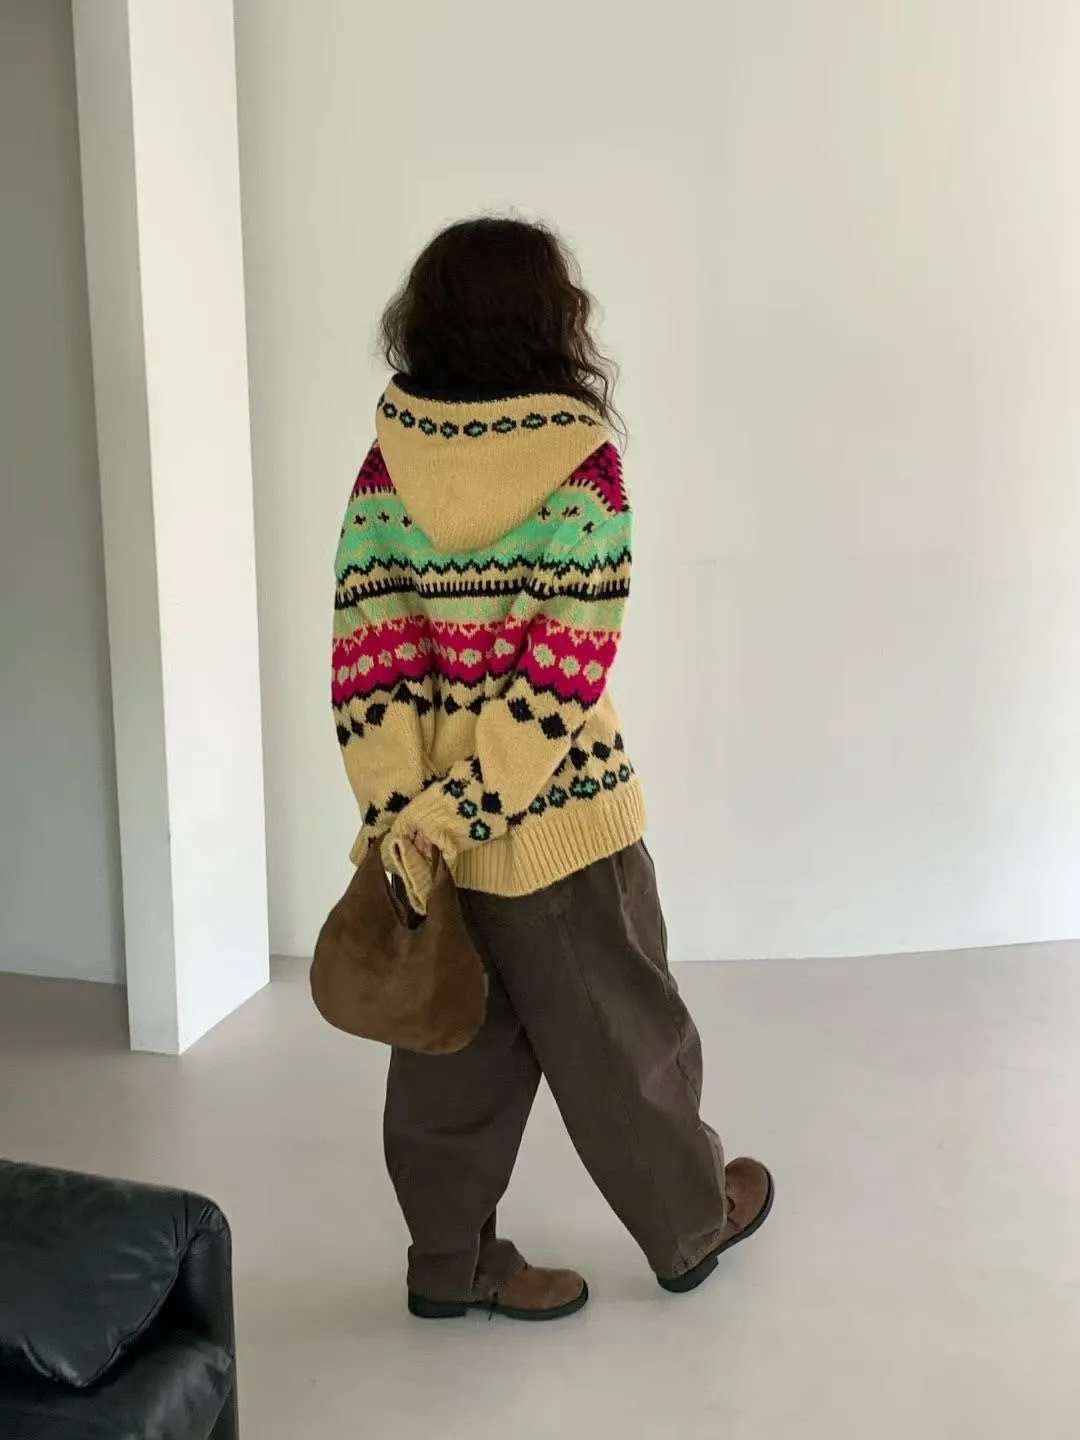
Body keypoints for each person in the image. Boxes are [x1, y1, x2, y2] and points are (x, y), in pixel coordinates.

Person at [331, 217, 773, 1322]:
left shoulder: (388, 464)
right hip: (562, 828)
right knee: (624, 1037)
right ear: (551, 321)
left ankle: (450, 1265)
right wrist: (475, 806)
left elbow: (367, 659)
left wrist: (410, 820)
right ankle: (690, 1224)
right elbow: (558, 684)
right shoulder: (585, 467)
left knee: (449, 1052)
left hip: (431, 843)